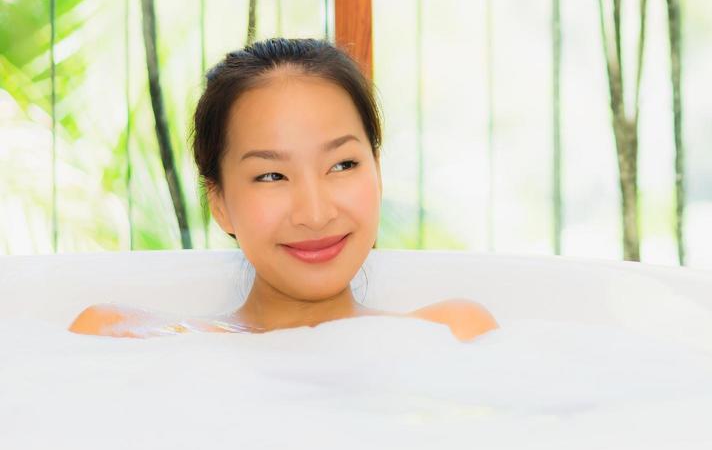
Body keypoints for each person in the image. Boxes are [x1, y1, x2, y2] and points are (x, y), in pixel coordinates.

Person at [68, 37, 497, 342]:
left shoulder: (454, 337)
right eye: (271, 175)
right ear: (218, 201)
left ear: (377, 172)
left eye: (343, 164)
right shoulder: (119, 341)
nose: (315, 213)